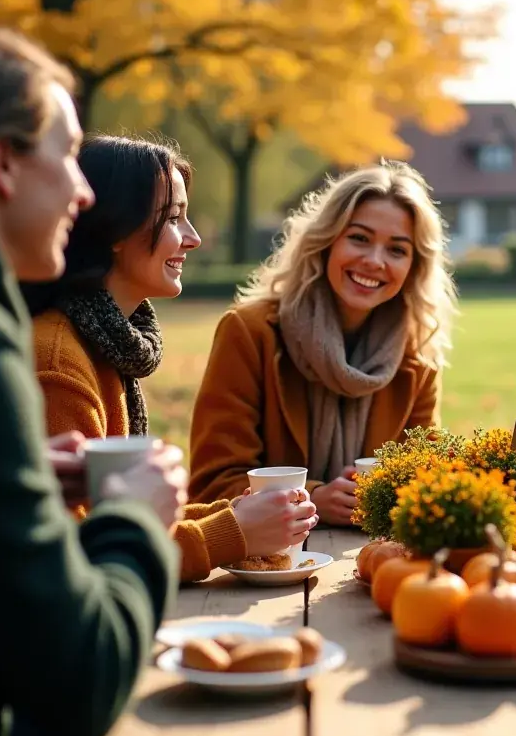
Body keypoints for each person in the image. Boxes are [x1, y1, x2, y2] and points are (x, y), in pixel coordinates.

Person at [0, 22, 187, 736]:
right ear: (3, 165)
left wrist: (21, 471)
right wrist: (134, 516)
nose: (83, 193)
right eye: (65, 155)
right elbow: (81, 681)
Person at [23, 135, 316, 581]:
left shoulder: (108, 341)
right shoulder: (59, 362)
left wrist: (234, 513)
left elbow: (124, 516)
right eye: (173, 217)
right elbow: (79, 550)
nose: (193, 238)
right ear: (116, 229)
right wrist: (232, 533)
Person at [189, 161, 455, 525]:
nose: (374, 261)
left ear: (414, 266)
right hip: (267, 553)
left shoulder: (417, 356)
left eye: (397, 250)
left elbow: (429, 480)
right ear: (326, 241)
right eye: (359, 238)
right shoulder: (250, 332)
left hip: (370, 552)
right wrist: (312, 498)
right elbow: (211, 485)